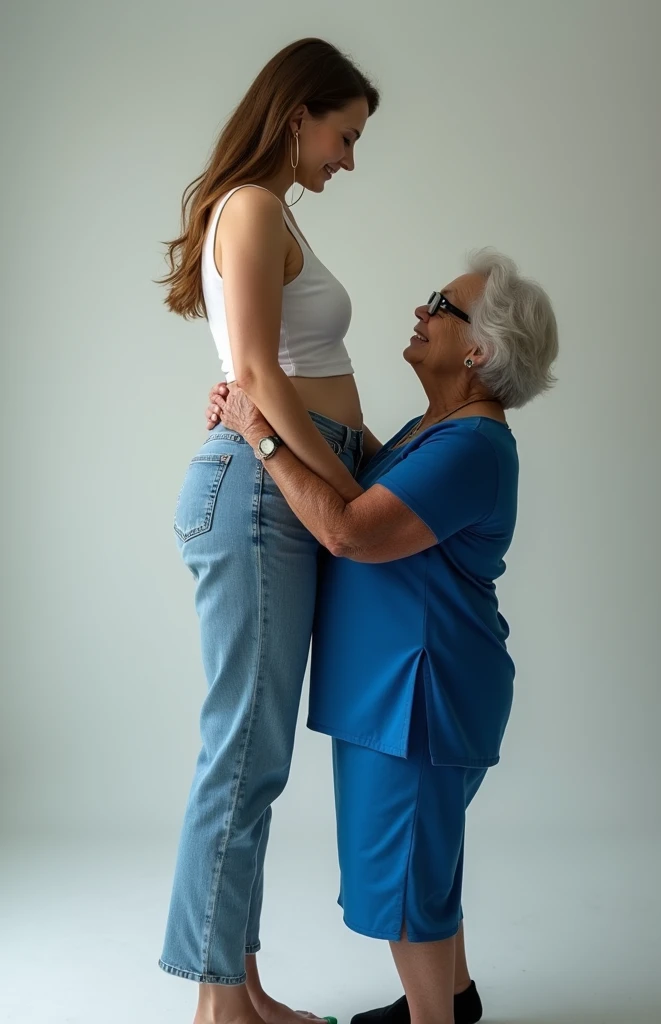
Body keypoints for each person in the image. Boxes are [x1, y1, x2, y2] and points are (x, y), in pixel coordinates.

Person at [207, 250, 559, 1024]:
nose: (421, 309)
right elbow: (364, 478)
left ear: (480, 352)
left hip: (415, 694)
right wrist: (266, 412)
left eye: (443, 304)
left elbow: (349, 531)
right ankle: (451, 1003)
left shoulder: (470, 445)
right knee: (422, 864)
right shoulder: (440, 430)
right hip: (406, 687)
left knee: (402, 883)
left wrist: (259, 435)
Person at [157, 37, 379, 1024]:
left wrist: (369, 454)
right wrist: (339, 481)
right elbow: (258, 371)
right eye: (344, 133)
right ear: (297, 115)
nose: (348, 158)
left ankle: (238, 989)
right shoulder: (250, 208)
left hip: (272, 481)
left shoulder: (265, 212)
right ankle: (217, 1008)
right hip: (260, 490)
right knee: (240, 750)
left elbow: (272, 368)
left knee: (257, 753)